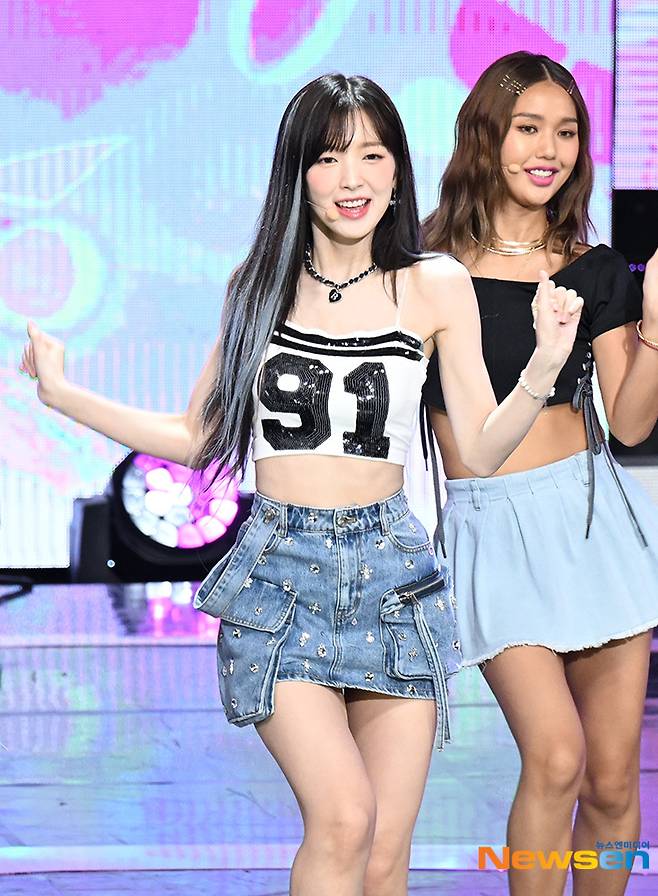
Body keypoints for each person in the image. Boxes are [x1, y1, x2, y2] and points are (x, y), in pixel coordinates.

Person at [20, 73, 582, 896]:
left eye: (372, 155)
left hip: (394, 578)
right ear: (298, 172)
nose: (352, 179)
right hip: (281, 579)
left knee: (384, 854)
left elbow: (481, 448)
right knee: (344, 818)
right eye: (328, 158)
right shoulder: (257, 287)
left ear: (398, 171)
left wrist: (542, 367)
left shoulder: (434, 285)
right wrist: (63, 395)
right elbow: (199, 437)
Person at [422, 51, 658, 896]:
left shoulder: (593, 267)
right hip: (490, 531)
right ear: (487, 135)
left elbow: (630, 422)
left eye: (566, 132)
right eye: (528, 128)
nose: (548, 149)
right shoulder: (427, 269)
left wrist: (654, 325)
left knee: (612, 782)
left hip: (594, 524)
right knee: (556, 758)